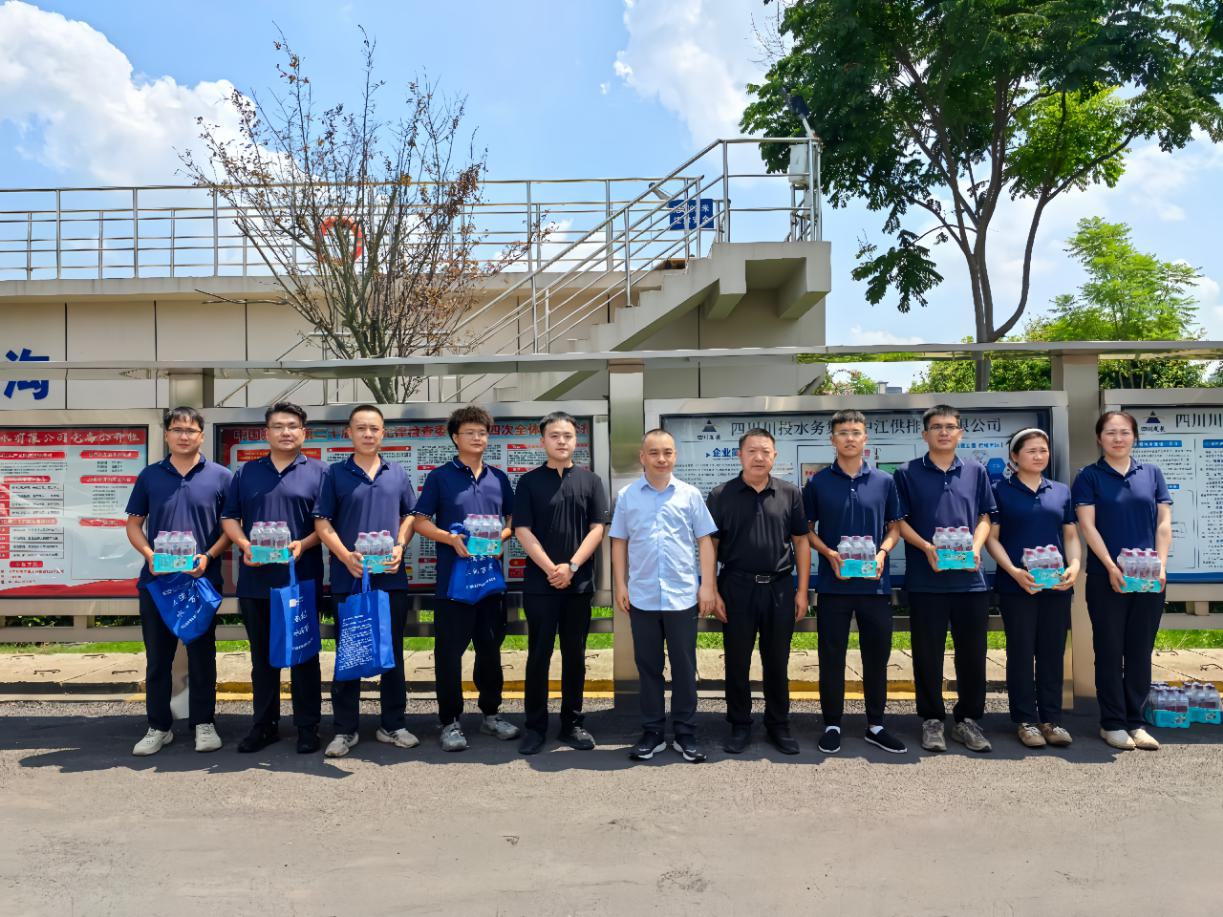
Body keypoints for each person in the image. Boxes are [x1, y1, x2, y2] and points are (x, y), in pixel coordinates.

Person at [221, 402, 328, 755]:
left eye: (292, 426)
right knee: (262, 657)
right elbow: (230, 517)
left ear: (303, 433)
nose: (286, 432)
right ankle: (264, 725)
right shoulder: (246, 473)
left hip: (301, 579)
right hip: (256, 581)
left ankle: (307, 726)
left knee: (304, 654)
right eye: (279, 426)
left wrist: (304, 544)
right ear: (266, 433)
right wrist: (244, 544)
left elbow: (327, 523)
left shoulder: (320, 472)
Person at [124, 406, 232, 756]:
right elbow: (133, 524)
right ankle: (158, 726)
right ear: (167, 434)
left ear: (202, 435)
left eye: (190, 430)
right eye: (177, 430)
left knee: (202, 655)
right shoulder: (150, 476)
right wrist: (150, 555)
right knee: (159, 658)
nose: (184, 436)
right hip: (158, 583)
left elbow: (231, 528)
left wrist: (209, 556)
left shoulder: (221, 476)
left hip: (200, 581)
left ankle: (204, 723)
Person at [413, 405, 521, 752]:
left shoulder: (498, 478)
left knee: (490, 651)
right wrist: (450, 539)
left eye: (482, 432)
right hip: (452, 585)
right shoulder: (440, 477)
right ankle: (450, 721)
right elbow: (420, 521)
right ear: (455, 438)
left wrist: (501, 539)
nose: (477, 438)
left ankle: (491, 715)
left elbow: (512, 520)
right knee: (448, 655)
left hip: (489, 583)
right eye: (470, 432)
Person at [313, 404, 418, 759]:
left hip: (390, 579)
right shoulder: (334, 474)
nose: (368, 434)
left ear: (383, 433)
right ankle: (345, 730)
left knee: (393, 653)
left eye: (374, 428)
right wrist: (345, 556)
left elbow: (410, 515)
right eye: (361, 428)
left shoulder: (396, 472)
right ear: (349, 433)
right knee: (350, 653)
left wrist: (400, 546)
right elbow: (322, 522)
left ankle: (393, 724)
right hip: (351, 579)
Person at [610, 429, 717, 763]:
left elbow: (704, 541)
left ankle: (685, 732)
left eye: (667, 452)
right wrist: (621, 585)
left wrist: (707, 585)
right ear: (642, 456)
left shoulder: (689, 494)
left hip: (682, 596)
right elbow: (619, 542)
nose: (661, 459)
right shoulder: (627, 496)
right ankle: (653, 732)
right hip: (642, 596)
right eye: (654, 453)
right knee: (648, 668)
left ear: (675, 456)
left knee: (685, 668)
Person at [895, 405, 997, 754]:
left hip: (970, 582)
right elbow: (898, 522)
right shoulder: (907, 472)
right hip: (927, 581)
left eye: (950, 426)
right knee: (927, 654)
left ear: (960, 433)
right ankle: (932, 719)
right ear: (924, 434)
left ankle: (968, 720)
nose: (944, 432)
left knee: (973, 654)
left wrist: (976, 548)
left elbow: (985, 517)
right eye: (936, 427)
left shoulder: (975, 471)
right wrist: (927, 548)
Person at [804, 410, 907, 755]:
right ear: (832, 439)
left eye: (856, 432)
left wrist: (882, 553)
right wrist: (828, 553)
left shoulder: (884, 481)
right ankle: (832, 723)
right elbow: (805, 529)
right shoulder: (818, 482)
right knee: (831, 655)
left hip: (875, 587)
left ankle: (876, 724)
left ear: (866, 438)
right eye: (843, 432)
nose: (850, 438)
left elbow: (895, 527)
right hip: (833, 587)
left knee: (876, 656)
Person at [1072, 410, 1172, 751]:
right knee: (1110, 649)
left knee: (1140, 650)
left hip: (1149, 578)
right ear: (1099, 438)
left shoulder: (1152, 473)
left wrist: (1161, 565)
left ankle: (1136, 721)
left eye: (1124, 432)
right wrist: (1111, 567)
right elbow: (1088, 527)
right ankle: (1112, 722)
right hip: (1106, 578)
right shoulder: (1089, 477)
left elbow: (1163, 524)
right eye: (1111, 433)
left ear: (1134, 437)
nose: (1118, 438)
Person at [707, 428, 809, 756]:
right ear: (740, 455)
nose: (759, 457)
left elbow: (801, 542)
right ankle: (739, 724)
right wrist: (712, 590)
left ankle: (778, 724)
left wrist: (802, 591)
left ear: (775, 456)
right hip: (735, 587)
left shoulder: (790, 493)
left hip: (779, 587)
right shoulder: (721, 495)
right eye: (752, 451)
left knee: (777, 660)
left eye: (765, 451)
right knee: (737, 659)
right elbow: (711, 545)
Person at [513, 412, 609, 755]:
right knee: (538, 654)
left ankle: (572, 724)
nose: (562, 441)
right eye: (554, 435)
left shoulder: (591, 481)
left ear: (576, 440)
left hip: (578, 584)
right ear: (543, 441)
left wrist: (571, 566)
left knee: (575, 655)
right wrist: (551, 568)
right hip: (540, 585)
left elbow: (597, 528)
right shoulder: (528, 482)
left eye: (567, 435)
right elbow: (522, 529)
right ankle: (535, 727)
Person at [985, 428, 1080, 750]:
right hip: (1018, 587)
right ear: (1014, 456)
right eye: (1031, 451)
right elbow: (991, 538)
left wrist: (1074, 565)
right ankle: (1025, 720)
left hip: (1056, 585)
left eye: (1043, 450)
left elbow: (1070, 535)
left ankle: (1051, 719)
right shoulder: (999, 491)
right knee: (1021, 652)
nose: (1039, 456)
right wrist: (1013, 571)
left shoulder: (1060, 491)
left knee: (1052, 653)